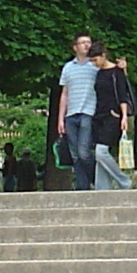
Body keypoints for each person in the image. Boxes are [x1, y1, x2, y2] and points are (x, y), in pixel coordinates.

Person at [55, 32, 100, 191]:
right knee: (75, 155)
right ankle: (83, 188)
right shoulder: (68, 68)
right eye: (82, 42)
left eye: (88, 42)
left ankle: (99, 179)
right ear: (75, 47)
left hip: (88, 112)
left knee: (84, 152)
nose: (86, 45)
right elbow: (64, 94)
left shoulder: (95, 66)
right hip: (71, 115)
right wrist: (60, 119)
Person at [90, 43, 136, 190]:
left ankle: (124, 181)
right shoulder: (98, 73)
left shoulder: (117, 72)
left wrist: (123, 117)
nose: (94, 64)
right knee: (99, 154)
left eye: (95, 60)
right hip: (99, 116)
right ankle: (102, 188)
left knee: (101, 152)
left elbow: (123, 95)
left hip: (113, 116)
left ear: (103, 56)